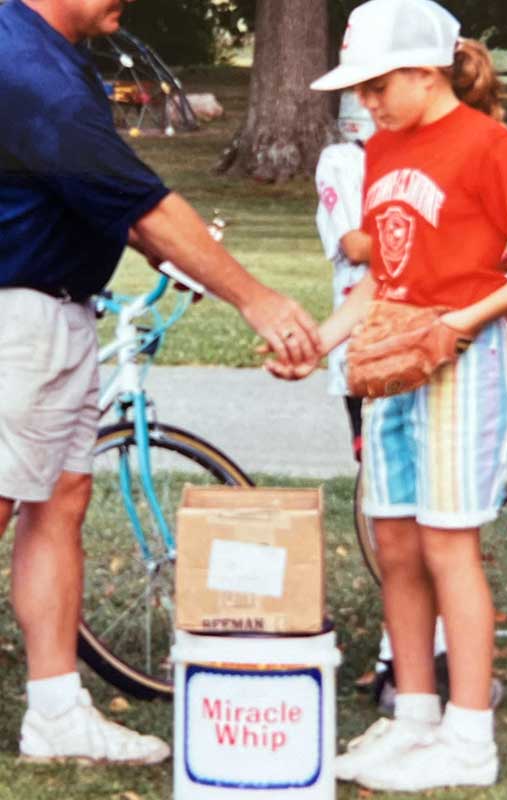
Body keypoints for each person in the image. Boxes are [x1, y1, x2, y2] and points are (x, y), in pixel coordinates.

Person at [268, 0, 507, 791]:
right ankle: (412, 717)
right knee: (396, 543)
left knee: (448, 544)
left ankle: (467, 737)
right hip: (393, 359)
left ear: (424, 69)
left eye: (377, 86)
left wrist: (466, 320)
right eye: (359, 90)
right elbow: (381, 277)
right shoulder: (379, 151)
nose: (365, 103)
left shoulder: (486, 144)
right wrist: (323, 342)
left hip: (459, 359)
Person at [0, 0, 319, 765]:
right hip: (16, 316)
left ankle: (56, 713)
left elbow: (89, 194)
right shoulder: (26, 65)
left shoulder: (50, 52)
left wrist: (155, 247)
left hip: (57, 310)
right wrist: (259, 298)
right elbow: (136, 203)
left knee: (59, 501)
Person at [314, 91, 375, 460]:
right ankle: (361, 436)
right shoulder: (342, 160)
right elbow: (353, 244)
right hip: (361, 278)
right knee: (356, 360)